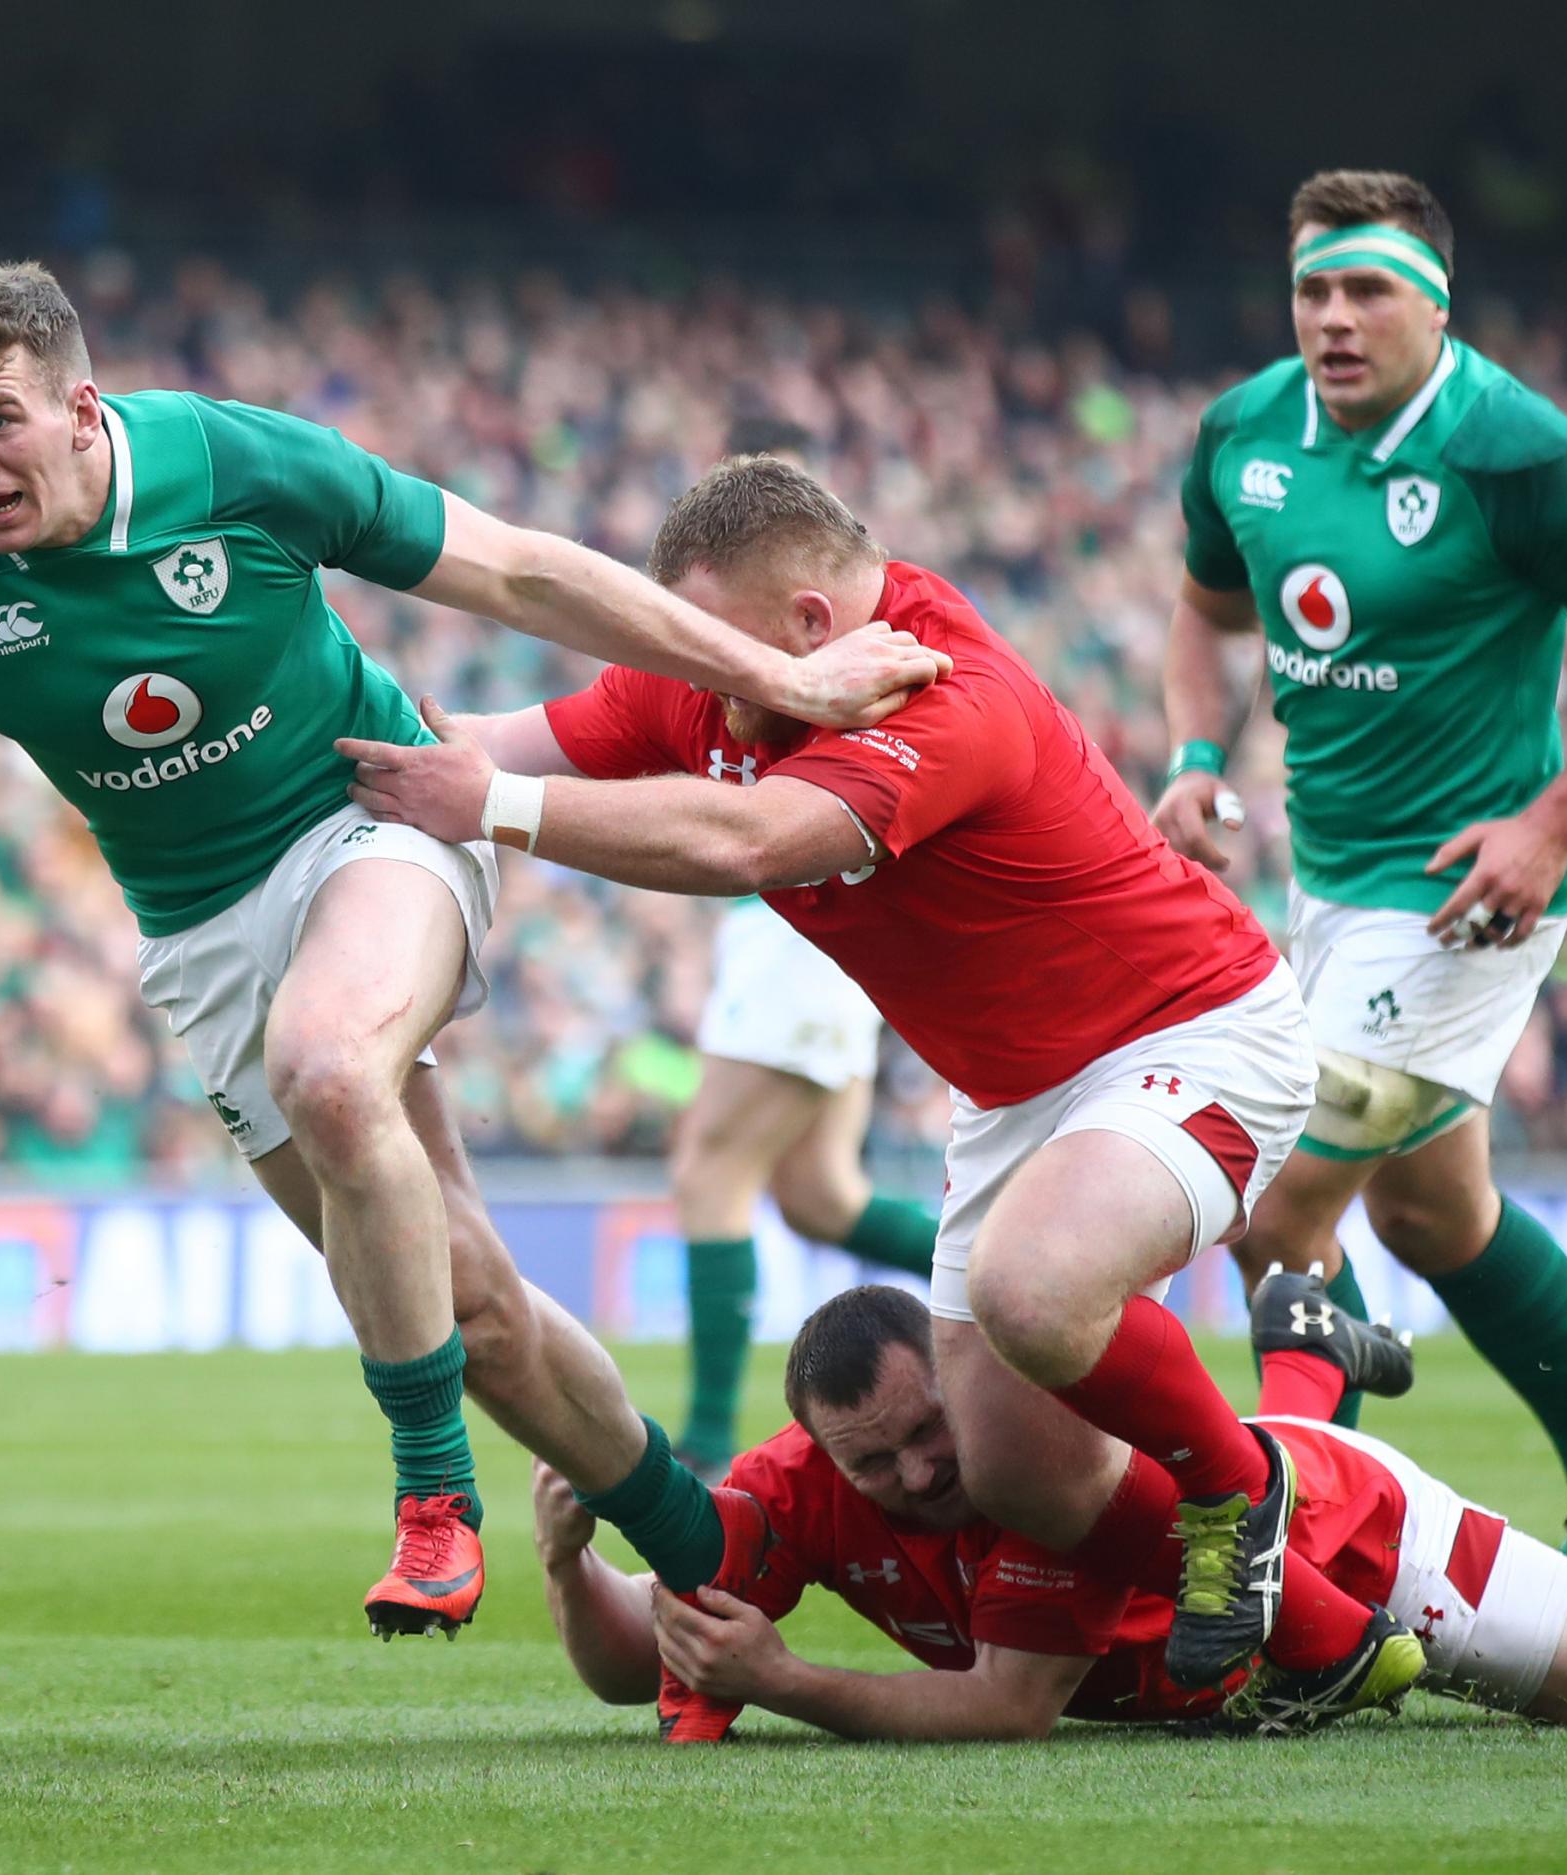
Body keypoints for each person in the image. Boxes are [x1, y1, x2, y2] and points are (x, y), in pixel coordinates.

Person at [0, 262, 944, 1642]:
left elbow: (514, 565)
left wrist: (782, 681)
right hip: (196, 930)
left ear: (83, 408)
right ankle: (712, 1554)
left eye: (0, 420)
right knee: (469, 1301)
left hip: (374, 816)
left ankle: (434, 1498)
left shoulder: (236, 463)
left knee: (328, 1065)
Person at [342, 454, 1412, 1721]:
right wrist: (279, 712)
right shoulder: (705, 677)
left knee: (1034, 1288)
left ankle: (1245, 1491)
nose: (705, 691)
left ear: (808, 629)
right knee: (1017, 1471)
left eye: (719, 654)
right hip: (1014, 1093)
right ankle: (1333, 1631)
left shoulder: (943, 690)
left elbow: (743, 840)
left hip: (1193, 1026)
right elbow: (458, 743)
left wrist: (500, 809)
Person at [1150, 169, 1567, 1577]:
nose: (1335, 320)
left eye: (1368, 291)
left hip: (1466, 897)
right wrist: (1188, 752)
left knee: (1277, 1209)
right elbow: (1204, 609)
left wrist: (1552, 824)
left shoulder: (1513, 449)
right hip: (1329, 885)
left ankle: (1299, 1560)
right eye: (1313, 291)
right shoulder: (1243, 432)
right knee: (1430, 1211)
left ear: (1436, 305)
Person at [536, 1277, 1567, 1742]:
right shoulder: (788, 1491)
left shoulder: (1025, 1458)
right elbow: (647, 1664)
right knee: (1234, 1448)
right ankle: (1312, 1352)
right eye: (878, 1463)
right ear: (812, 1457)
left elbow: (1009, 1707)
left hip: (1358, 1549)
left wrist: (788, 1677)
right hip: (1228, 1552)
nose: (925, 1474)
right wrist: (566, 1566)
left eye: (933, 1431)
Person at [667, 416, 941, 1479]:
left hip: (798, 929)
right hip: (796, 931)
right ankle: (1028, 1281)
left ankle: (697, 1441)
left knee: (707, 1172)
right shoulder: (795, 622)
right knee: (818, 1194)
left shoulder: (798, 640)